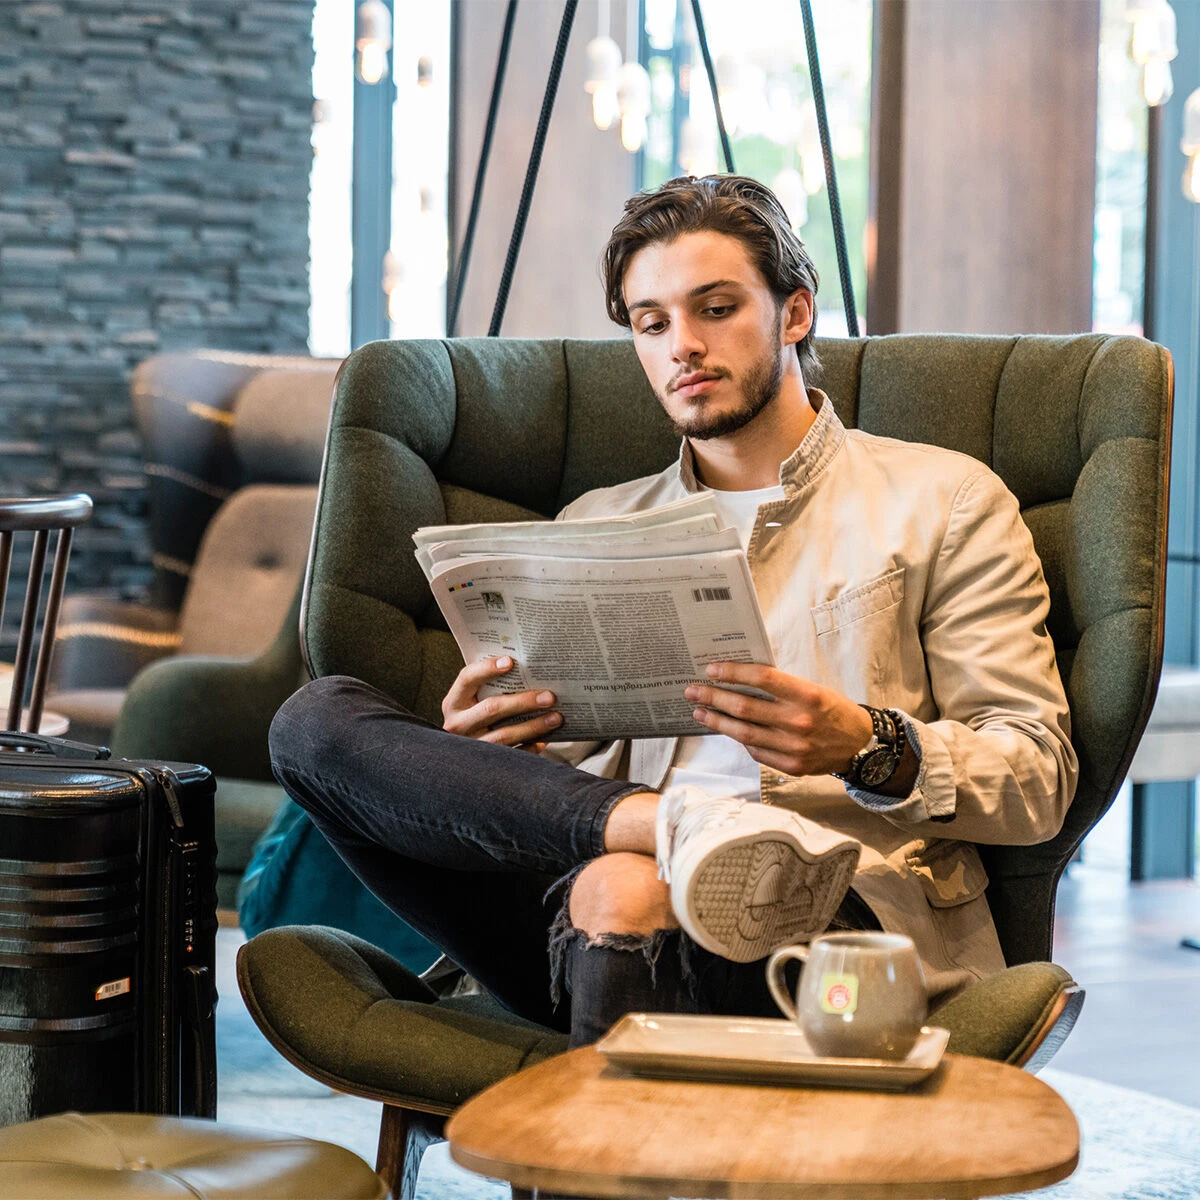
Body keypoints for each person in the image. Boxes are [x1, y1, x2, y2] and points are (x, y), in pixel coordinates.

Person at [270, 174, 1078, 1048]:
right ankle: (674, 826)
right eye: (651, 324)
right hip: (580, 889)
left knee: (625, 887)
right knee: (312, 723)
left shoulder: (942, 500)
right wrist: (491, 750)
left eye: (716, 308)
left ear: (794, 313)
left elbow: (1037, 778)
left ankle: (670, 870)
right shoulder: (595, 524)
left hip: (823, 922)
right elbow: (545, 782)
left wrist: (865, 743)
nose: (681, 346)